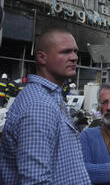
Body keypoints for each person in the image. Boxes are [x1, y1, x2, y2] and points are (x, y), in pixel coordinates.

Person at [0, 28, 91, 184]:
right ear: (42, 57)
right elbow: (36, 181)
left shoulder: (51, 96)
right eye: (65, 52)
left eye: (75, 51)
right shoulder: (39, 105)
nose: (74, 57)